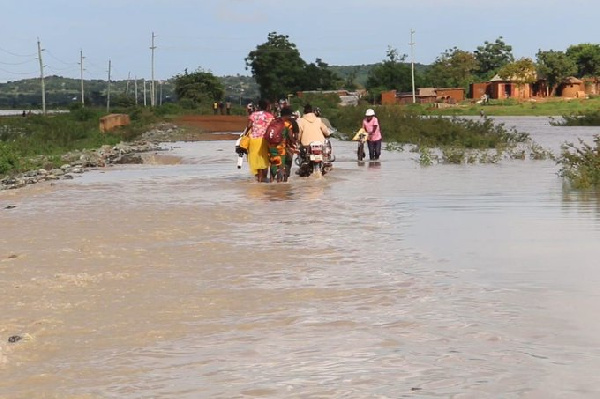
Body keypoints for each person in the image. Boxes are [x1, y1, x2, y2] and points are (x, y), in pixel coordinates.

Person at [267, 106, 299, 182]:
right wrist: (295, 143)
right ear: (288, 115)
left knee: (273, 163)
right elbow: (290, 136)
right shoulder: (287, 123)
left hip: (271, 147)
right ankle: (280, 183)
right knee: (282, 166)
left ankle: (271, 181)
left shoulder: (273, 121)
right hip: (281, 148)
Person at [246, 99, 273, 182]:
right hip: (265, 139)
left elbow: (249, 125)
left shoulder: (254, 115)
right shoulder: (270, 116)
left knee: (255, 159)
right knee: (264, 159)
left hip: (254, 139)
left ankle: (259, 178)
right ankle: (264, 179)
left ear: (259, 106)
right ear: (267, 107)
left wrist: (245, 133)